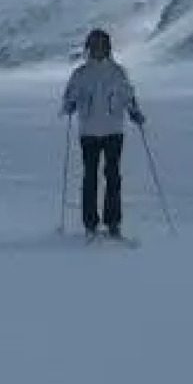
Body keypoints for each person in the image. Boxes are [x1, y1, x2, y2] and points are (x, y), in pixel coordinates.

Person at [59, 28, 144, 240]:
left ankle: (113, 222)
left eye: (102, 45)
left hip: (113, 131)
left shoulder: (117, 72)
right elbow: (69, 97)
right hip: (89, 133)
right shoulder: (80, 74)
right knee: (90, 178)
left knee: (113, 177)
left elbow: (128, 95)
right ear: (89, 48)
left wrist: (135, 112)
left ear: (108, 48)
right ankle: (90, 223)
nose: (98, 49)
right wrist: (69, 105)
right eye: (94, 45)